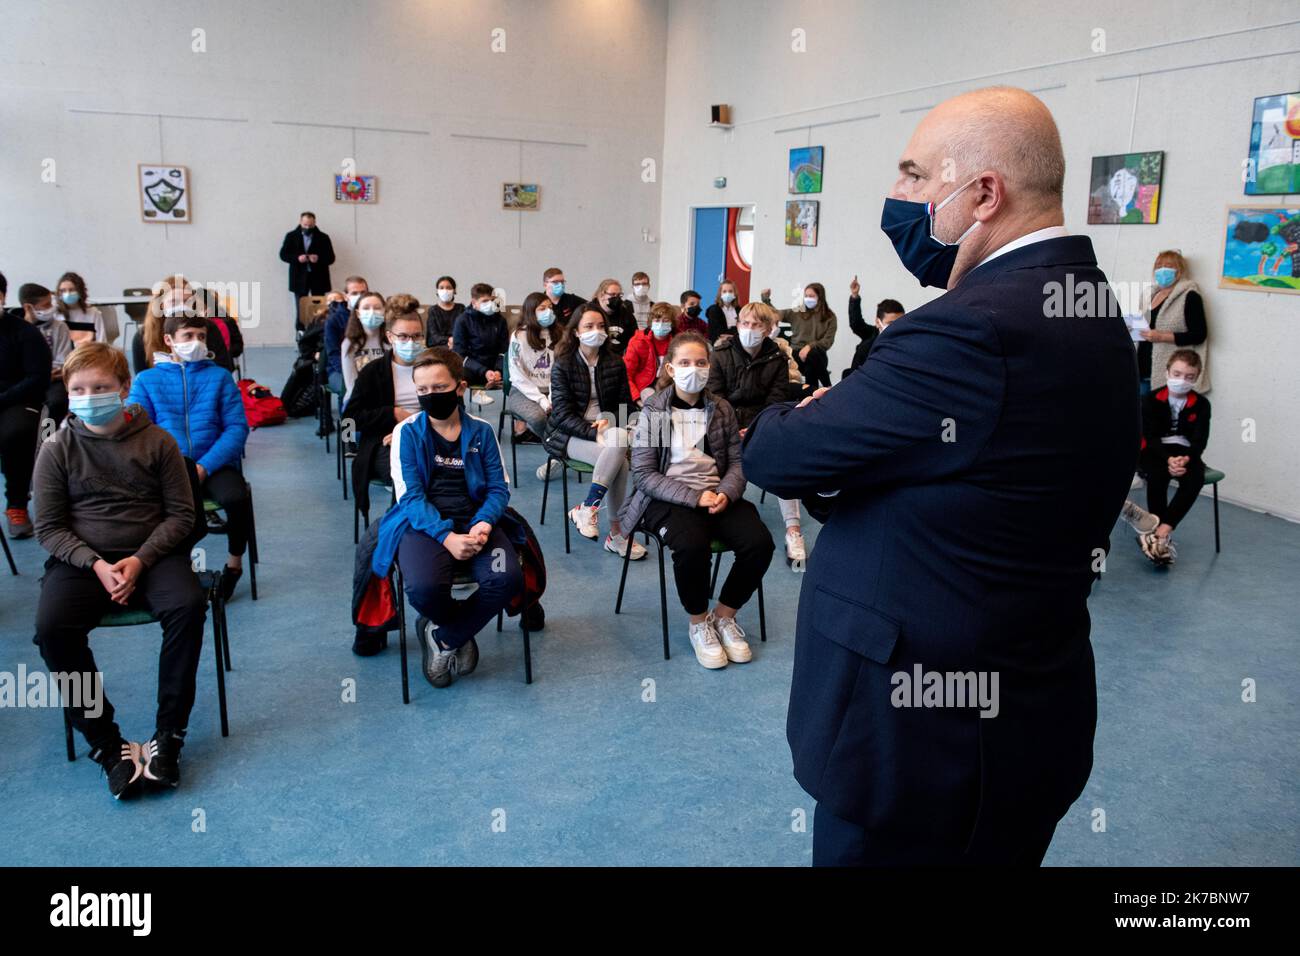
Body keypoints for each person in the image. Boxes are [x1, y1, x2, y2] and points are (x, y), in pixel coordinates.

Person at [743, 86, 1139, 866]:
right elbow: (972, 467)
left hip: (924, 743)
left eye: (915, 175)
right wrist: (856, 441)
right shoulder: (1084, 302)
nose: (899, 198)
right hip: (1020, 704)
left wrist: (827, 425)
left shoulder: (967, 329)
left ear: (984, 193)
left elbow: (775, 454)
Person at [33, 342, 206, 797]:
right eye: (79, 388)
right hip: (82, 561)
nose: (90, 395)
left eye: (101, 387)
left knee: (188, 606)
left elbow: (182, 516)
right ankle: (108, 745)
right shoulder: (57, 448)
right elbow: (48, 527)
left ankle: (169, 734)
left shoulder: (158, 442)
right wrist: (96, 564)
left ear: (125, 389)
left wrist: (139, 560)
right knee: (52, 628)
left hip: (153, 554)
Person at [369, 347, 523, 688]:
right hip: (423, 525)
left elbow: (498, 488)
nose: (430, 396)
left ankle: (445, 637)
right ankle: (458, 630)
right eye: (422, 390)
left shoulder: (482, 432)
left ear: (460, 388)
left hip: (477, 521)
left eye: (438, 388)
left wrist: (483, 524)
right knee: (424, 588)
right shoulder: (408, 433)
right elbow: (410, 497)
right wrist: (446, 537)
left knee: (507, 578)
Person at [621, 332, 774, 668]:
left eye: (701, 362)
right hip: (667, 497)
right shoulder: (655, 410)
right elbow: (644, 475)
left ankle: (724, 615)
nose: (695, 369)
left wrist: (725, 493)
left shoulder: (721, 408)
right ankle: (698, 622)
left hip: (717, 494)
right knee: (692, 546)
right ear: (670, 368)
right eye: (685, 363)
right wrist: (694, 497)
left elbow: (737, 462)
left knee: (759, 542)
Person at [129, 308, 251, 600]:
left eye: (201, 336)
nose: (196, 341)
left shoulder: (220, 377)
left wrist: (205, 466)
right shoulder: (146, 381)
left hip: (215, 463)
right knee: (159, 509)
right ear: (169, 340)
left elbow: (236, 428)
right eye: (188, 335)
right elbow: (137, 429)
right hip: (168, 467)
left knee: (236, 498)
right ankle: (169, 569)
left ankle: (234, 566)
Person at [708, 302, 808, 564]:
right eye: (745, 323)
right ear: (738, 325)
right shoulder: (720, 354)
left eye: (756, 325)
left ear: (768, 329)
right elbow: (714, 397)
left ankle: (793, 531)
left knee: (785, 459)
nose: (749, 329)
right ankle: (713, 515)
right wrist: (732, 427)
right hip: (724, 423)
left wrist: (755, 427)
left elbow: (776, 401)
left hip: (760, 424)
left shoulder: (777, 359)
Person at [544, 307, 645, 559]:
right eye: (588, 326)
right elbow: (561, 415)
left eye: (600, 326)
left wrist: (616, 422)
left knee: (620, 440)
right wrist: (593, 432)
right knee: (620, 462)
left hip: (607, 427)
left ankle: (588, 506)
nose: (596, 331)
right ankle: (617, 535)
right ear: (576, 332)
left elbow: (626, 405)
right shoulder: (563, 365)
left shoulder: (614, 362)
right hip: (570, 433)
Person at [347, 296, 424, 525]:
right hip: (383, 442)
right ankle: (398, 528)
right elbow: (350, 419)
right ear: (390, 337)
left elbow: (453, 408)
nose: (410, 342)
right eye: (403, 336)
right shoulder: (373, 371)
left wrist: (412, 425)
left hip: (428, 434)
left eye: (417, 336)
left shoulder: (432, 367)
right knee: (410, 474)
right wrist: (392, 414)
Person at [1137, 350, 1211, 567]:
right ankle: (1157, 532)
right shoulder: (1149, 400)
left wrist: (1185, 460)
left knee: (1195, 478)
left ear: (1196, 377)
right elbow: (1149, 438)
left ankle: (1162, 531)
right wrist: (1169, 460)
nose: (1182, 380)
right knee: (1157, 474)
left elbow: (1200, 441)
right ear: (1167, 371)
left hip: (1186, 452)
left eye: (1189, 376)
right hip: (1156, 450)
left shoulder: (1202, 405)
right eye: (1177, 374)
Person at [1, 270, 53, 538]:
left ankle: (17, 504)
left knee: (17, 432)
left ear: (3, 297)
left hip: (18, 401)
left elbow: (38, 378)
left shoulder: (24, 333)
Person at [1138, 249, 1210, 396]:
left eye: (1168, 266)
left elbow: (1199, 335)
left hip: (1166, 371)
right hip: (1140, 368)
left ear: (1179, 271)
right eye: (1158, 266)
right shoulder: (1149, 294)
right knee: (1138, 415)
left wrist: (1162, 337)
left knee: (1156, 416)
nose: (1162, 269)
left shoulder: (1190, 296)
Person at [505, 292, 558, 477]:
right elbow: (517, 375)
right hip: (522, 391)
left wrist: (551, 396)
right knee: (537, 417)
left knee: (567, 415)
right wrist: (541, 400)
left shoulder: (558, 334)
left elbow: (558, 370)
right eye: (542, 308)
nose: (548, 312)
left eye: (550, 308)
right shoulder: (519, 336)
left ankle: (559, 454)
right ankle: (558, 452)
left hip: (552, 389)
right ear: (530, 312)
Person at [134, 276, 232, 374]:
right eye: (174, 302)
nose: (181, 307)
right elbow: (142, 378)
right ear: (161, 305)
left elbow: (224, 368)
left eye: (187, 301)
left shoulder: (207, 328)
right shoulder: (143, 335)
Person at [761, 283, 837, 389]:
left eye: (811, 296)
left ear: (820, 297)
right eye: (806, 296)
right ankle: (827, 387)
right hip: (796, 354)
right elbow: (775, 314)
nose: (808, 299)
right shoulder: (797, 312)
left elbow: (828, 341)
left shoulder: (830, 317)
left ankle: (810, 393)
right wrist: (766, 299)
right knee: (811, 367)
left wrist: (809, 346)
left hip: (818, 354)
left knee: (812, 357)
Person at [19, 283, 72, 424]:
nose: (52, 308)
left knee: (57, 402)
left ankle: (47, 438)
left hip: (53, 380)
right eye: (46, 305)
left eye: (51, 303)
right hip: (24, 380)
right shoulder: (18, 330)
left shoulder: (60, 327)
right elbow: (17, 364)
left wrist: (42, 373)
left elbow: (62, 361)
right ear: (28, 308)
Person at [279, 211, 335, 331]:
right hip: (299, 278)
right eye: (305, 225)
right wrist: (297, 258)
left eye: (310, 225)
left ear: (314, 223)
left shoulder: (323, 237)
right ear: (300, 222)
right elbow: (283, 255)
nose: (307, 228)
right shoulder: (291, 236)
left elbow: (331, 258)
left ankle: (318, 335)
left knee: (318, 309)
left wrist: (318, 258)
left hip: (319, 278)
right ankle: (300, 337)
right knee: (301, 310)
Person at [451, 283, 508, 392]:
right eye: (485, 301)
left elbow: (504, 350)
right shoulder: (462, 320)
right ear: (474, 303)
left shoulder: (500, 320)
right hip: (473, 368)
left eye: (492, 300)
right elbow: (459, 354)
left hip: (495, 367)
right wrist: (484, 371)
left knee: (514, 373)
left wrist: (498, 371)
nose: (490, 304)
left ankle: (495, 382)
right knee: (457, 375)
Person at [845, 276, 903, 376]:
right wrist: (855, 297)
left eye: (900, 322)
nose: (896, 327)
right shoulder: (869, 340)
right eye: (890, 323)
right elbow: (856, 323)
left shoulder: (907, 340)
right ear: (878, 322)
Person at [340, 291, 389, 405]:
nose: (372, 312)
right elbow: (351, 384)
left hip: (387, 398)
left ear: (384, 312)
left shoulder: (391, 340)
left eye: (377, 308)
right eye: (366, 308)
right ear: (358, 313)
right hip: (357, 399)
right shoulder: (349, 344)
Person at [623, 301, 676, 402]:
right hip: (645, 387)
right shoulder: (638, 341)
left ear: (672, 323)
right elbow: (626, 375)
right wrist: (637, 399)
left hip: (670, 385)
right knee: (655, 404)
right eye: (657, 320)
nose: (661, 324)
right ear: (651, 322)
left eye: (666, 320)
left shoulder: (677, 343)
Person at [324, 275, 370, 393]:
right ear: (346, 296)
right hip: (339, 369)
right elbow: (333, 354)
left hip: (368, 364)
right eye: (354, 293)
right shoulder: (334, 320)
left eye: (363, 292)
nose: (359, 296)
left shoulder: (372, 317)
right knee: (348, 388)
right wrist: (351, 371)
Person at [582, 279, 633, 357]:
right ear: (602, 295)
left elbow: (634, 338)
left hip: (620, 358)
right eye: (612, 295)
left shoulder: (625, 312)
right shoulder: (589, 312)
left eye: (619, 295)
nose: (617, 298)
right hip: (595, 356)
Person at [54, 272, 107, 346]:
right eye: (63, 291)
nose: (67, 294)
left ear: (80, 291)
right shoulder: (55, 314)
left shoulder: (93, 313)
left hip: (87, 354)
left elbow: (101, 341)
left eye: (72, 290)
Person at [426, 275, 463, 348]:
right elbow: (434, 336)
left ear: (454, 290)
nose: (445, 290)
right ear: (437, 291)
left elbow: (464, 331)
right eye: (441, 288)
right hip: (438, 346)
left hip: (457, 344)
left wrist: (455, 341)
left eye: (448, 288)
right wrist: (449, 340)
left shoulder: (461, 308)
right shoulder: (433, 310)